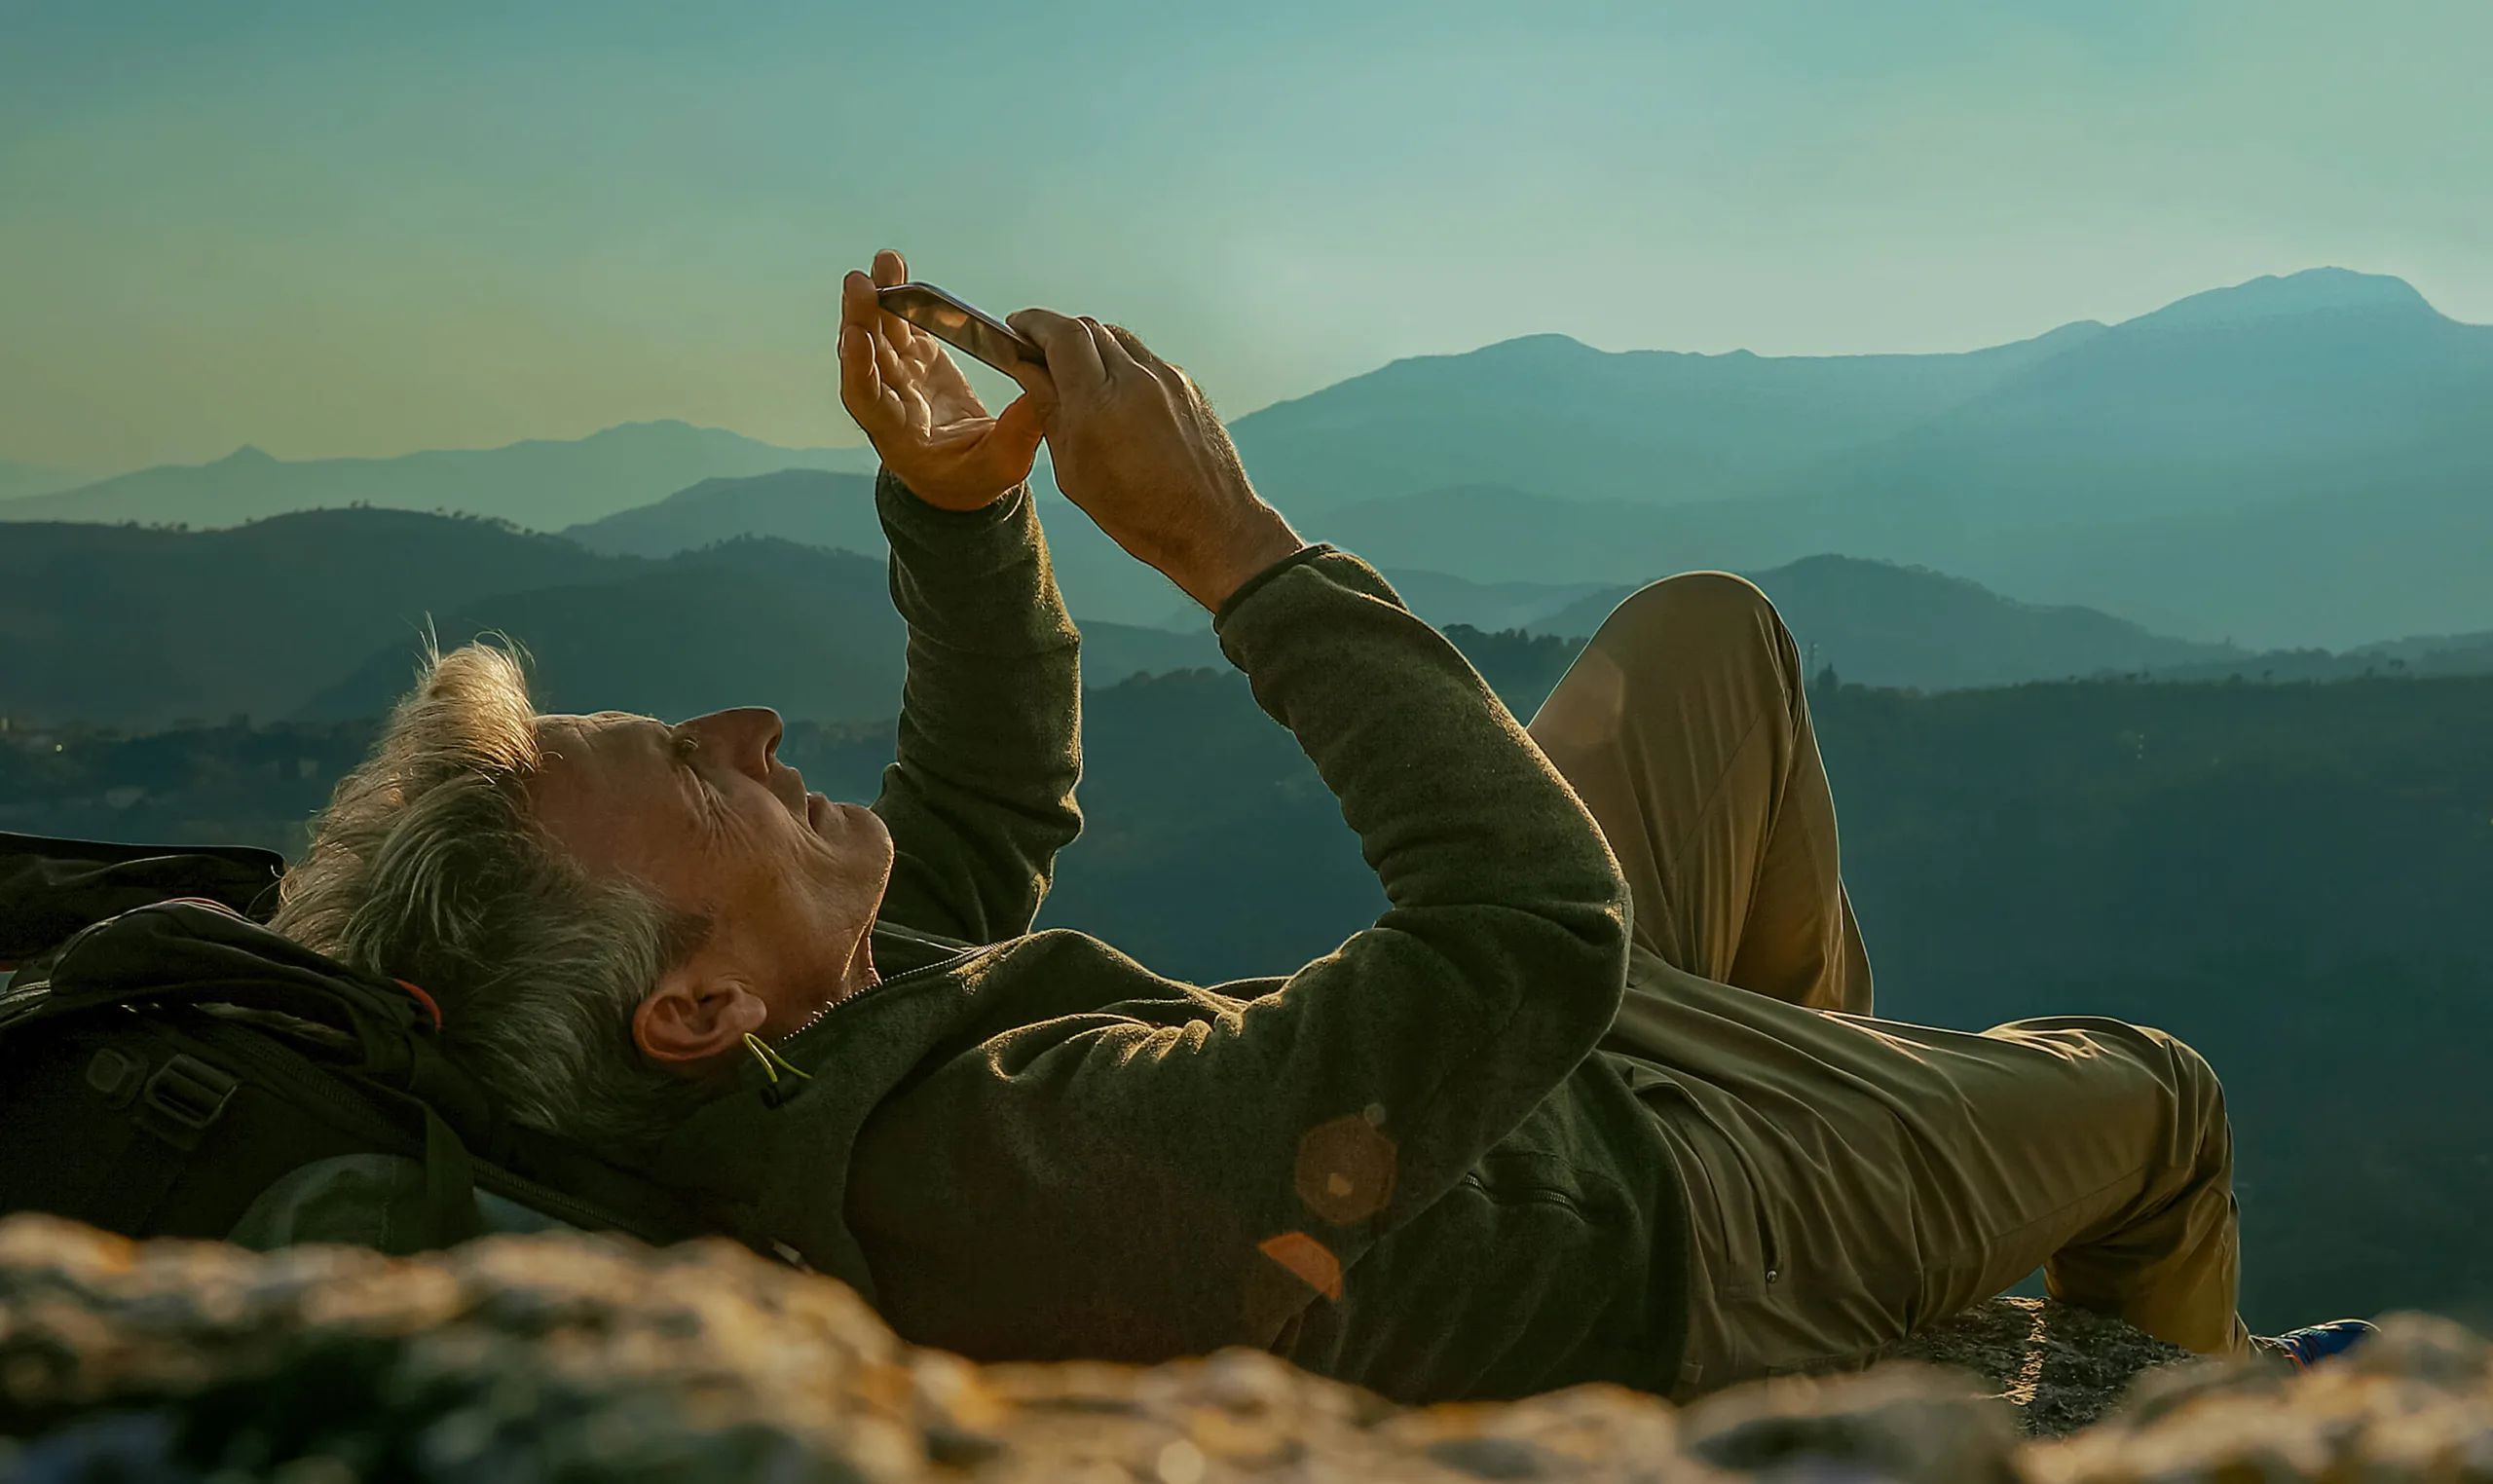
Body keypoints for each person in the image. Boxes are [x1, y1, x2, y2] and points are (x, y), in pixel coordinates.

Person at [268, 250, 2367, 1401]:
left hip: (1529, 1106)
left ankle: (1870, 1183)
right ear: (695, 1009)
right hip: (1649, 1235)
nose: (744, 721)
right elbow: (1524, 927)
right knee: (2154, 1099)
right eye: (699, 772)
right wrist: (1233, 547)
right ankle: (2043, 1352)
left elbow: (985, 812)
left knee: (1706, 640)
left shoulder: (777, 1060)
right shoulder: (1019, 1173)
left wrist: (960, 512)